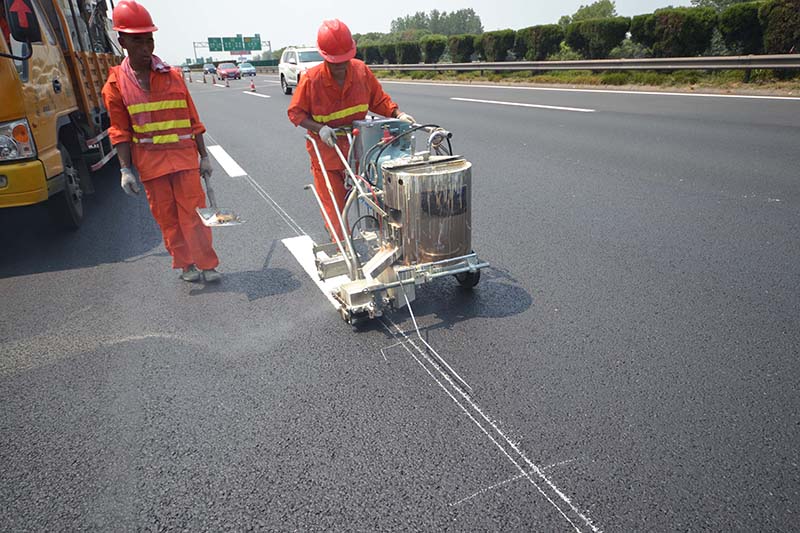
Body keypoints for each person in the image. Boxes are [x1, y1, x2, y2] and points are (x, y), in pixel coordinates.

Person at [101, 0, 221, 283]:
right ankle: (186, 265)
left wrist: (204, 157)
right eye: (138, 41)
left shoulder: (173, 76)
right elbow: (120, 131)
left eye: (149, 40)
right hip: (151, 164)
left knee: (194, 214)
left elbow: (193, 120)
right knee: (167, 218)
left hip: (184, 159)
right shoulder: (116, 85)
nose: (146, 48)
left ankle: (207, 264)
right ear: (122, 42)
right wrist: (125, 169)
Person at [287, 19, 415, 241]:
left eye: (344, 60)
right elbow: (295, 113)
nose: (340, 66)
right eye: (334, 62)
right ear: (324, 56)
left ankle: (388, 239)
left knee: (377, 194)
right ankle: (342, 246)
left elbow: (378, 100)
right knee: (336, 206)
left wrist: (398, 114)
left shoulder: (360, 71)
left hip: (360, 147)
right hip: (327, 151)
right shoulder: (311, 79)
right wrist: (320, 129)